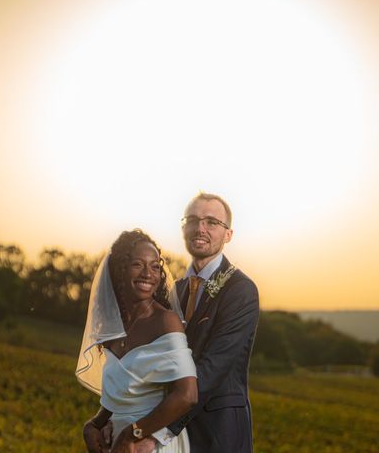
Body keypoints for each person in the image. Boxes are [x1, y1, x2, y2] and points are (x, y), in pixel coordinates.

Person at [137, 192, 260, 452]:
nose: (200, 228)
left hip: (217, 433)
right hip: (171, 434)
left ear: (228, 235)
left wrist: (156, 431)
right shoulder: (175, 289)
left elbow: (213, 367)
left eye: (211, 222)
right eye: (192, 220)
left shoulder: (241, 290)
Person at [76, 229, 197, 453]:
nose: (148, 274)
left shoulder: (165, 321)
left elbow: (187, 395)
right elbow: (122, 396)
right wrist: (93, 425)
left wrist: (133, 434)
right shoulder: (112, 327)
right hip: (116, 442)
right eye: (137, 264)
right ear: (120, 269)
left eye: (154, 267)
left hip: (149, 443)